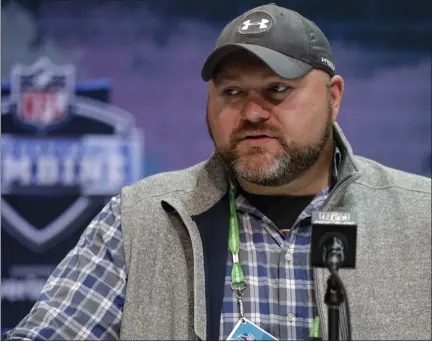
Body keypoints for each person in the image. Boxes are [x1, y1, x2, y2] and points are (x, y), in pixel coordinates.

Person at [4, 3, 431, 341]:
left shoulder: (421, 218)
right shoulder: (141, 219)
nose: (251, 112)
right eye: (232, 92)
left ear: (333, 97)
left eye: (277, 90)